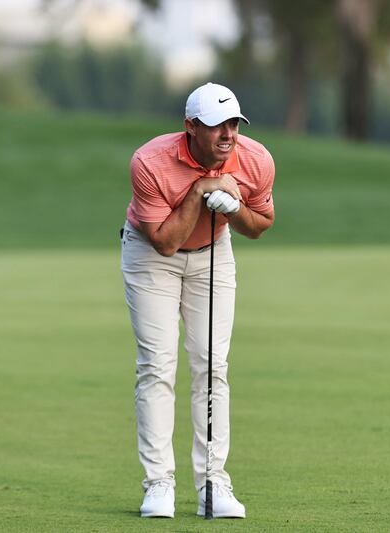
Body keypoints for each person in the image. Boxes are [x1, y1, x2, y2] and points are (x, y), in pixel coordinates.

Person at [120, 82, 275, 518]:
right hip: (152, 256)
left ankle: (213, 483)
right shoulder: (149, 162)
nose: (228, 134)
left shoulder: (257, 159)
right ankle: (158, 484)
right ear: (190, 127)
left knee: (212, 365)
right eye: (216, 126)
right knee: (157, 365)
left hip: (213, 253)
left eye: (233, 123)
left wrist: (231, 209)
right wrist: (200, 191)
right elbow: (166, 242)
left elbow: (260, 224)